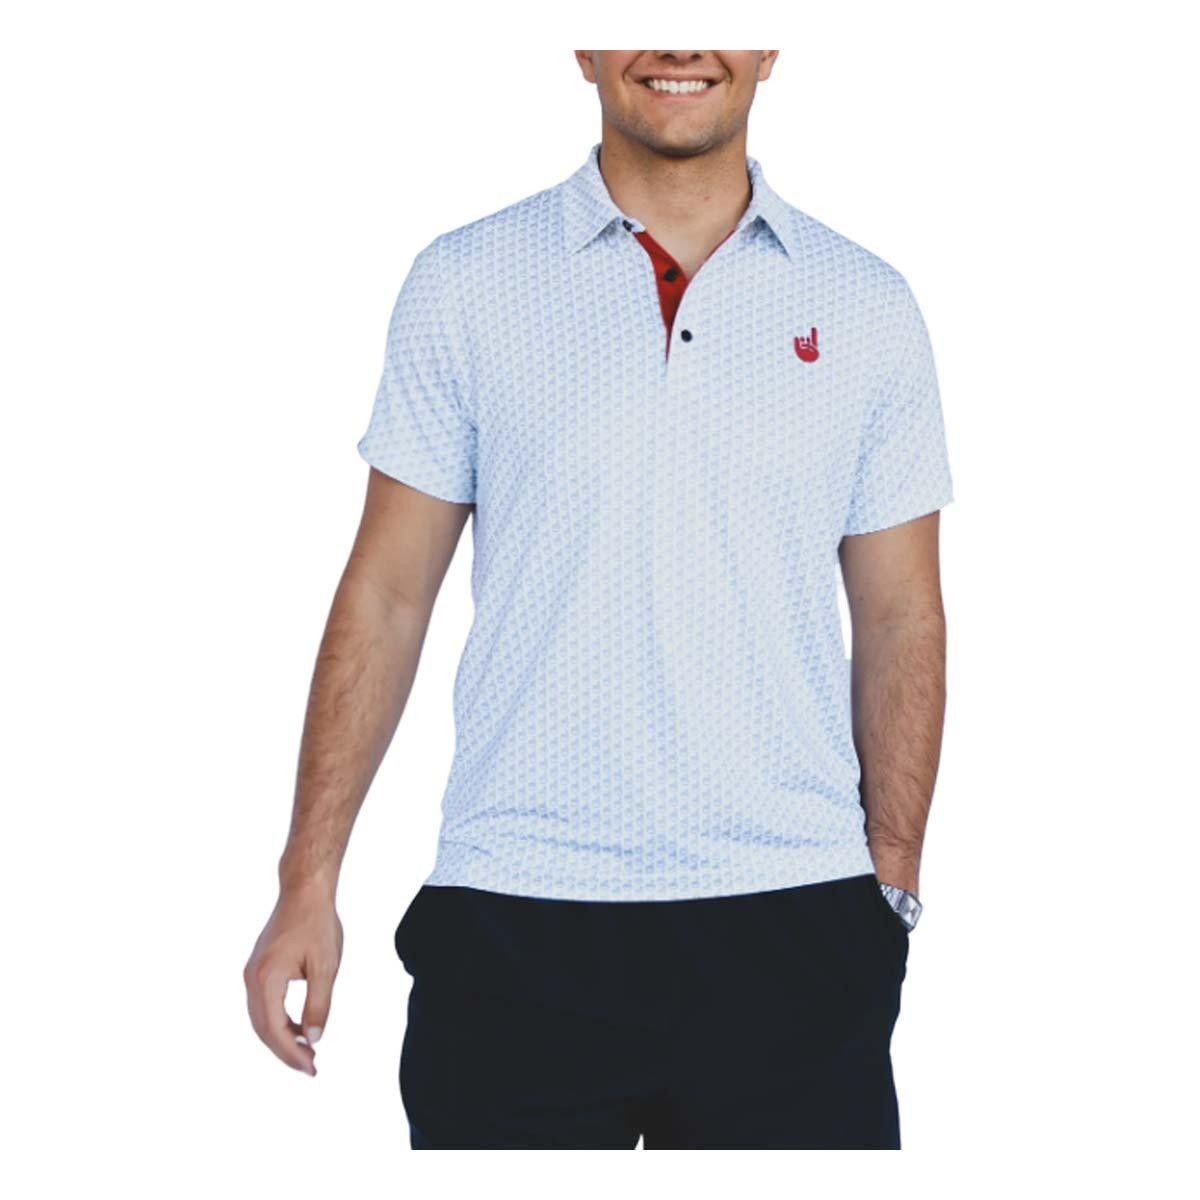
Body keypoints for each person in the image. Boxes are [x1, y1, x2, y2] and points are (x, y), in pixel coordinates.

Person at [244, 49, 953, 1150]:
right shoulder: (468, 281)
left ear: (770, 46)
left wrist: (890, 883)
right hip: (515, 919)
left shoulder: (866, 304)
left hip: (794, 924)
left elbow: (902, 616)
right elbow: (386, 596)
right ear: (582, 46)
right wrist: (308, 876)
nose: (679, 44)